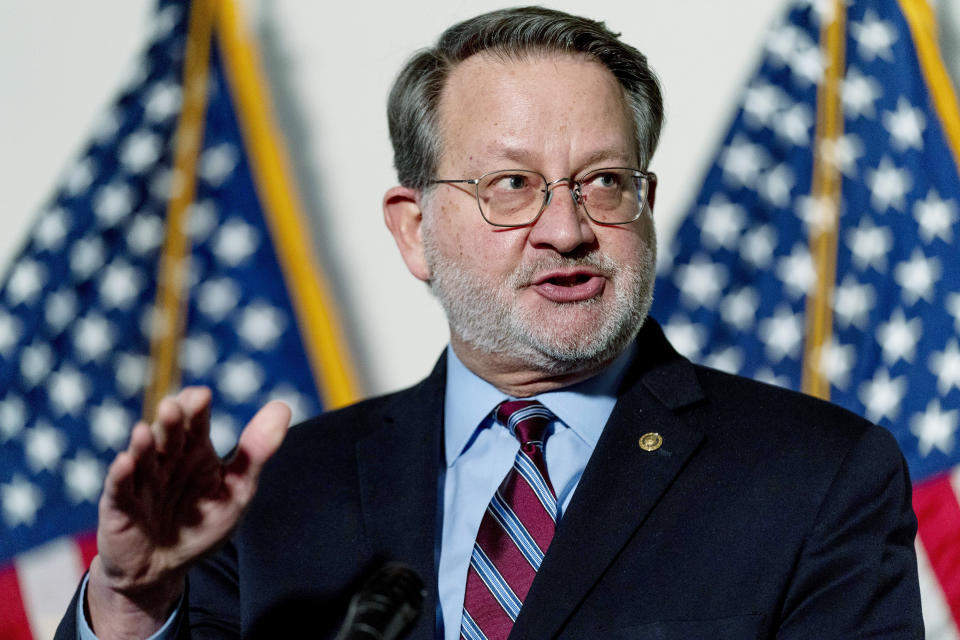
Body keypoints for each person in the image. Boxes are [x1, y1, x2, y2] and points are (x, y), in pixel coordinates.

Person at [58, 6, 923, 639]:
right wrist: (131, 601)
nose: (568, 227)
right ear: (413, 229)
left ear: (646, 206)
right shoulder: (272, 496)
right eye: (511, 186)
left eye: (605, 182)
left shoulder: (819, 476)